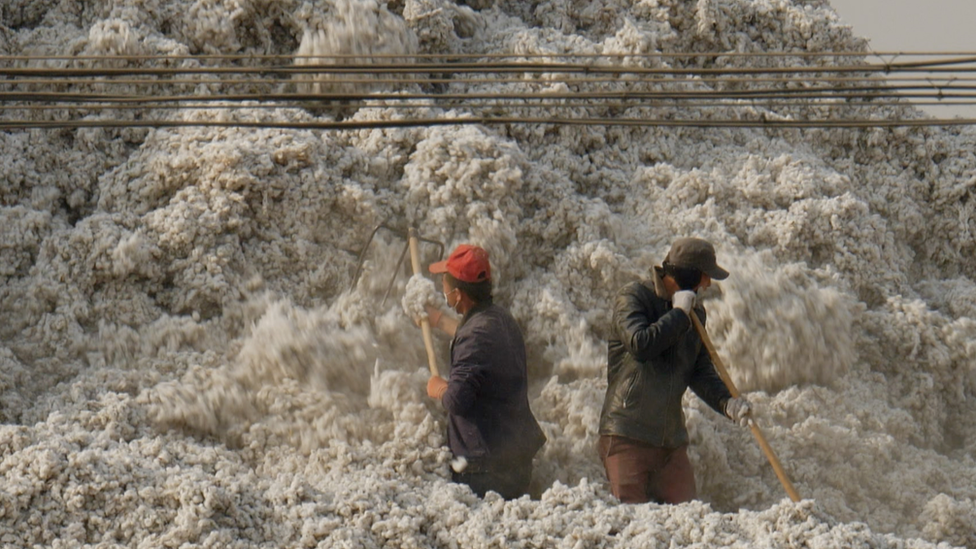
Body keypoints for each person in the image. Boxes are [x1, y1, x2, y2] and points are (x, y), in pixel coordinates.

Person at [598, 237, 753, 504]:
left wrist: (726, 402)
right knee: (629, 521)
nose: (706, 284)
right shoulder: (634, 297)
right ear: (689, 274)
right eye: (704, 277)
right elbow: (640, 344)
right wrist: (678, 314)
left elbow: (699, 369)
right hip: (627, 436)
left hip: (670, 444)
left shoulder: (696, 314)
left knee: (688, 517)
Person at [421, 244, 546, 499]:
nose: (442, 291)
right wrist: (439, 321)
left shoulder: (475, 337)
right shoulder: (500, 319)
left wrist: (439, 388)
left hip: (485, 469)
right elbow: (478, 342)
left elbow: (457, 400)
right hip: (515, 459)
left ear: (457, 294)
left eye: (444, 286)